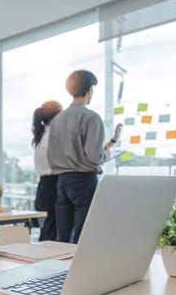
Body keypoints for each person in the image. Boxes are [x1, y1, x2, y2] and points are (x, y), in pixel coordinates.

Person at [47, 70, 122, 243]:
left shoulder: (58, 119)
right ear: (89, 91)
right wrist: (106, 152)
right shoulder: (91, 118)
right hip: (84, 181)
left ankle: (61, 269)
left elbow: (51, 154)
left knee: (63, 236)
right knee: (83, 236)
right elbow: (94, 156)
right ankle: (80, 270)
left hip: (62, 181)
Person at [32, 100, 62, 241]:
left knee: (47, 232)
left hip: (44, 186)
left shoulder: (41, 135)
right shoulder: (52, 137)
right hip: (53, 186)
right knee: (52, 233)